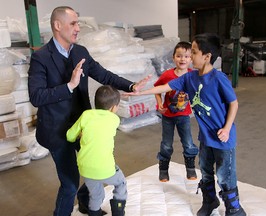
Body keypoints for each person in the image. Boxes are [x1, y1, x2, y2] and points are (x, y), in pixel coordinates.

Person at [28, 6, 150, 216]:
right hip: (57, 131)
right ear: (58, 25)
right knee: (69, 183)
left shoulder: (80, 52)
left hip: (82, 127)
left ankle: (85, 203)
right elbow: (36, 96)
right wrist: (69, 86)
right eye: (73, 23)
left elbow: (103, 74)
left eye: (78, 23)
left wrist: (130, 86)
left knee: (96, 166)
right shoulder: (41, 58)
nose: (78, 28)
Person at [124, 33, 246, 216]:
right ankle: (209, 201)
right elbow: (165, 87)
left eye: (194, 52)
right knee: (205, 171)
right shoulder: (190, 78)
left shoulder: (218, 78)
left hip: (223, 139)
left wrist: (227, 128)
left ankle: (234, 208)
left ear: (207, 57)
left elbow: (234, 104)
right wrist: (139, 93)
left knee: (224, 174)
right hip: (206, 138)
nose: (190, 56)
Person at [66, 85, 126, 216]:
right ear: (113, 108)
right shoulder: (115, 119)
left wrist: (80, 134)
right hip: (105, 168)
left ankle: (94, 213)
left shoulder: (86, 115)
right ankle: (118, 213)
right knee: (121, 183)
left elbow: (70, 136)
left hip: (86, 168)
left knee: (96, 195)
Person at [154, 41, 198, 182]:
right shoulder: (167, 75)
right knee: (166, 144)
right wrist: (160, 103)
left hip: (184, 116)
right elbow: (157, 90)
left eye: (186, 56)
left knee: (188, 143)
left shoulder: (193, 75)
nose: (182, 59)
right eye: (179, 56)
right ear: (173, 58)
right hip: (167, 116)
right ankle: (163, 170)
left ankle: (190, 170)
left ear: (191, 59)